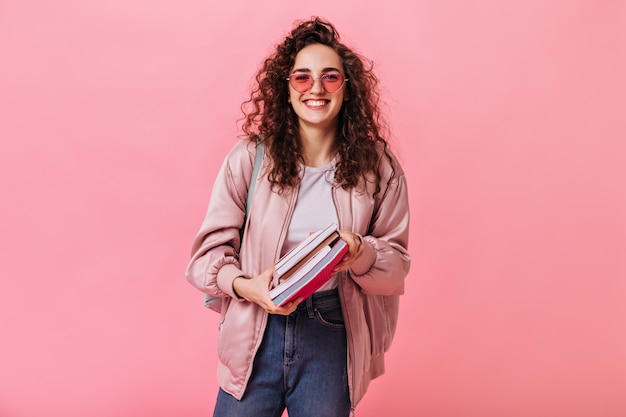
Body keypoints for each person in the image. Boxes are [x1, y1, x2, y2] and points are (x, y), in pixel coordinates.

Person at [186, 17, 410, 417]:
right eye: (302, 78)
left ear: (347, 87)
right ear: (286, 89)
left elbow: (395, 271)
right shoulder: (249, 158)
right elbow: (204, 260)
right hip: (256, 328)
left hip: (332, 330)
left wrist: (358, 251)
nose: (317, 88)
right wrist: (246, 286)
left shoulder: (380, 168)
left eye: (330, 77)